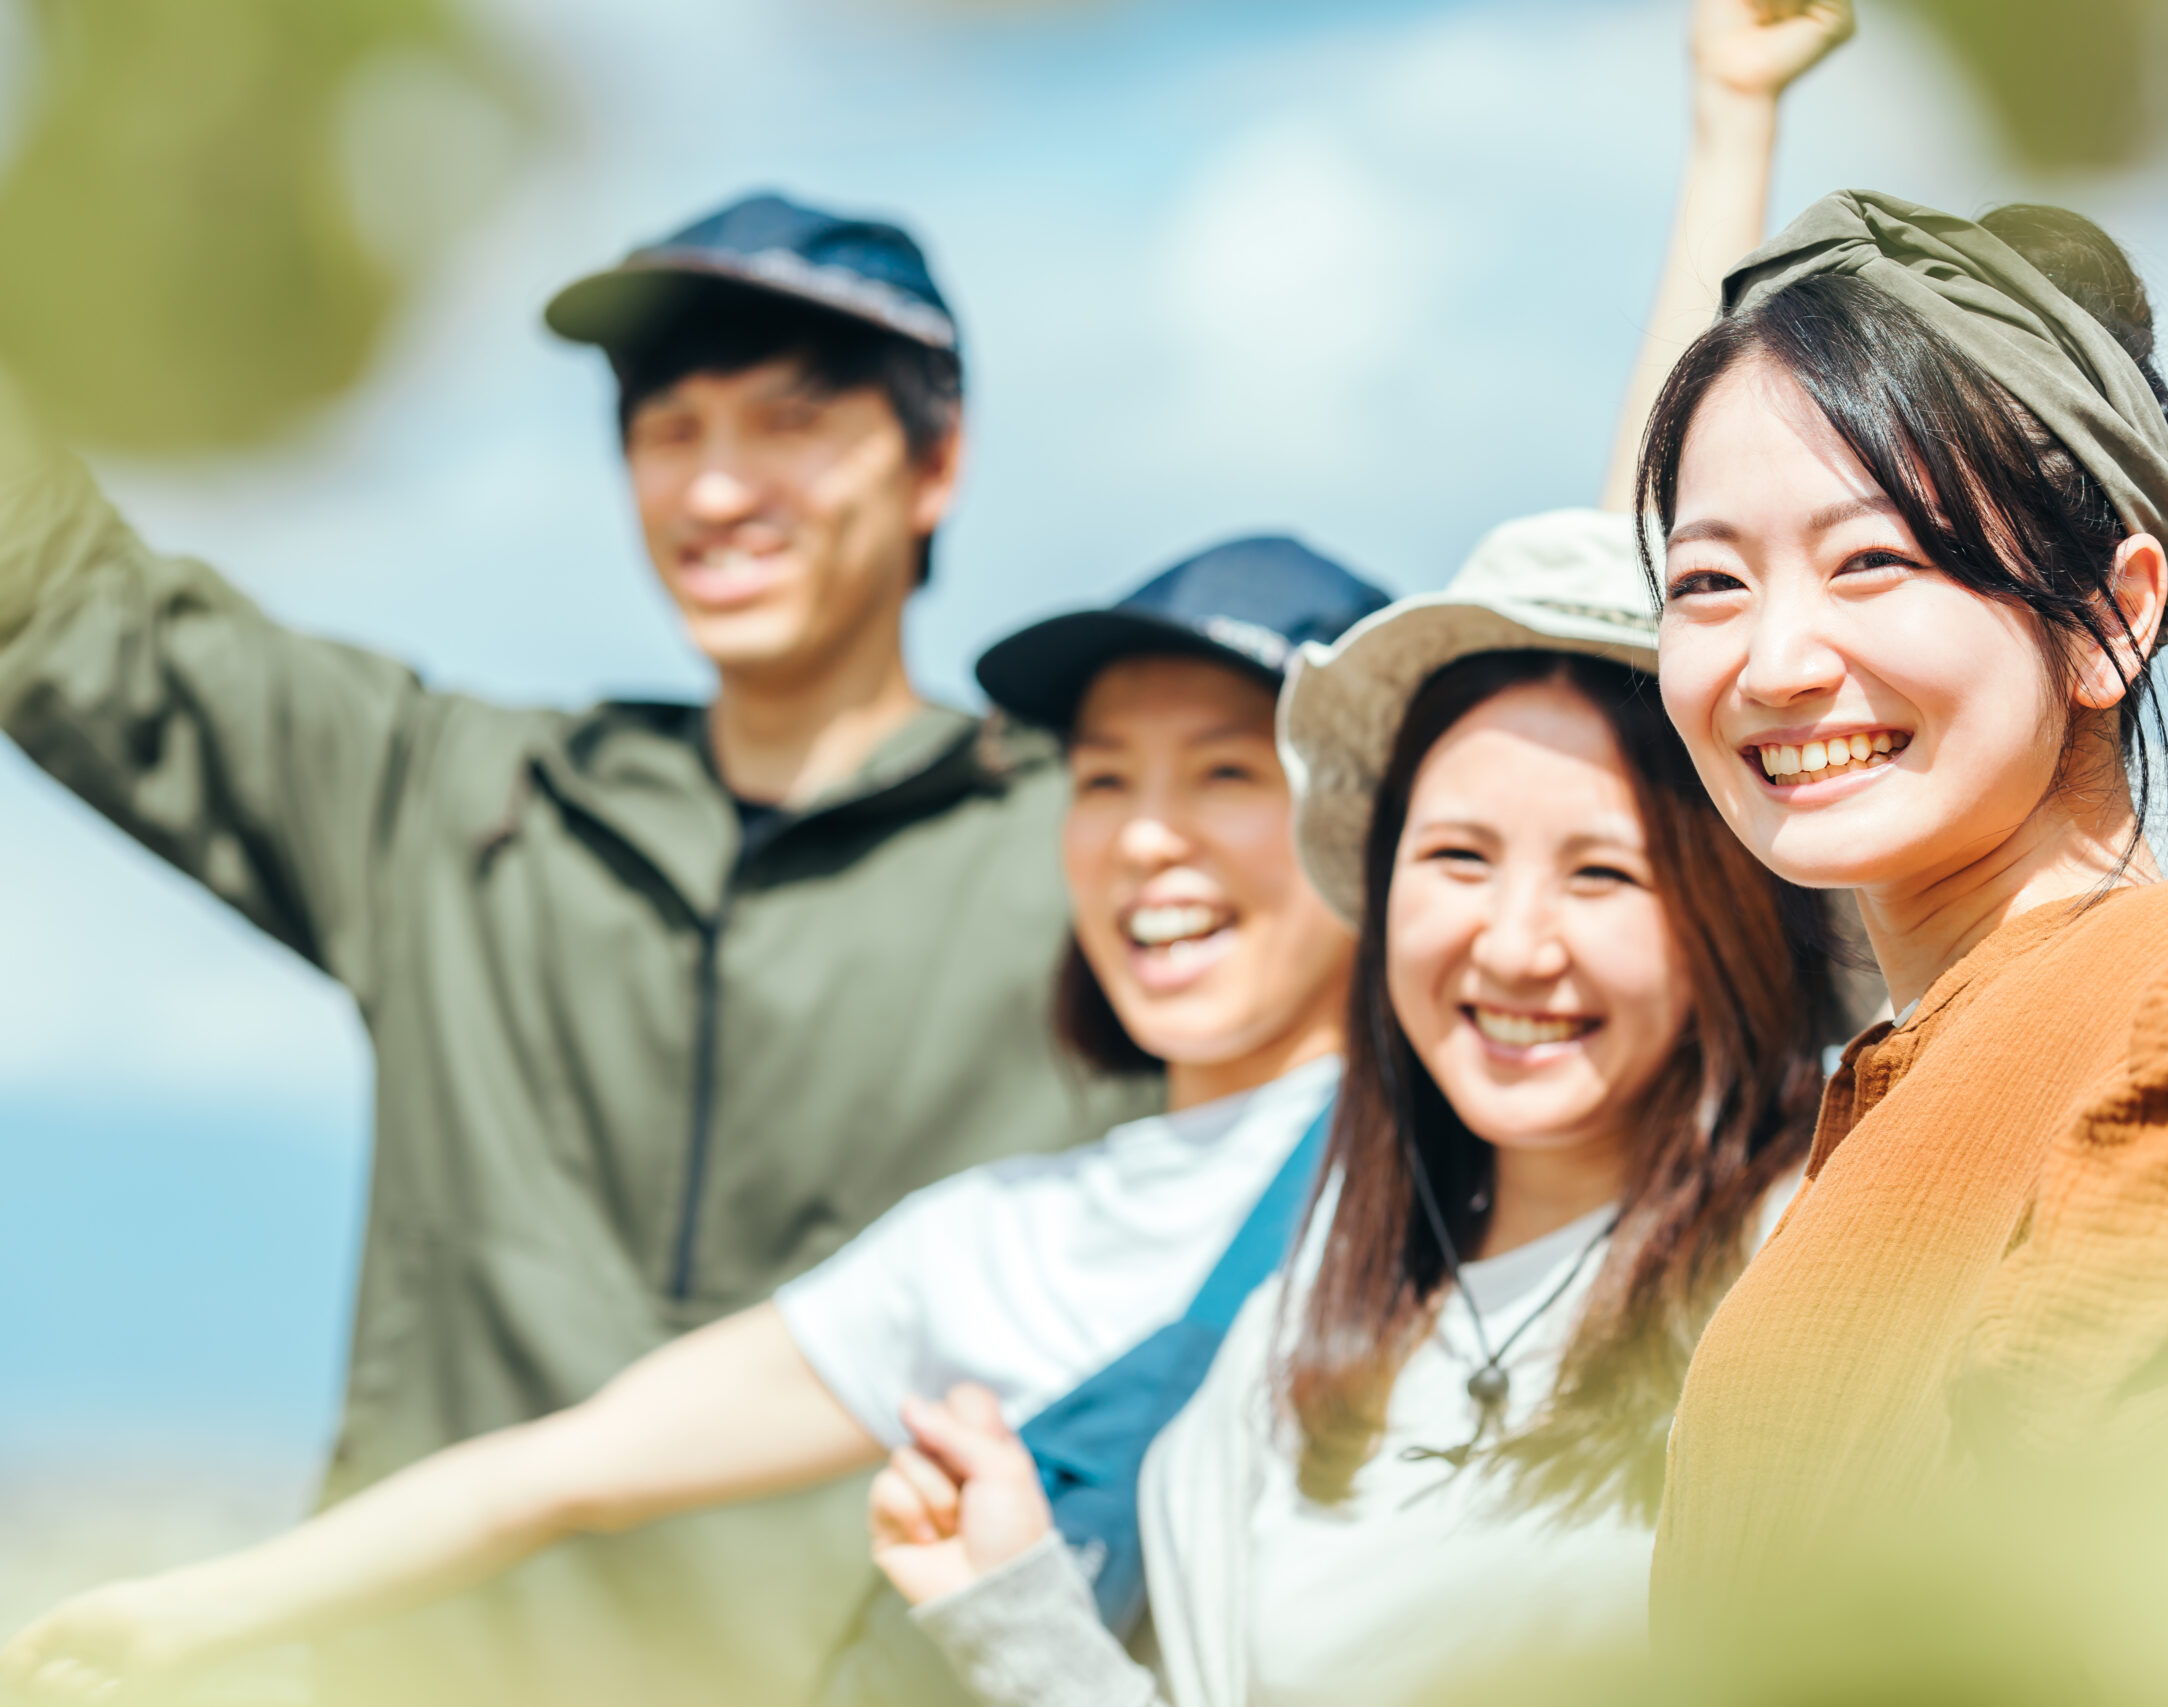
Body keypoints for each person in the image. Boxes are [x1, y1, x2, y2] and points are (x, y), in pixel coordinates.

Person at [0, 196, 1165, 1705]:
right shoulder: (445, 802)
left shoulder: (1109, 860)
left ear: (938, 459)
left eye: (792, 421)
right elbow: (69, 608)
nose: (721, 483)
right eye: (667, 430)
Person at [0, 539, 1390, 1706]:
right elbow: (562, 1471)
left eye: (1228, 774)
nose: (1147, 837)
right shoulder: (998, 1238)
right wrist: (177, 1614)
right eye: (1101, 779)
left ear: (1380, 829)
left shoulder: (1454, 1174)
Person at [1628, 192, 2168, 1612]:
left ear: (2112, 613)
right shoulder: (1906, 1067)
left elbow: (2157, 1509)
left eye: (1871, 560)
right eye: (1708, 580)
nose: (1775, 657)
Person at [862, 512, 1849, 1707]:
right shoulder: (1271, 1373)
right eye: (1457, 859)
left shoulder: (1819, 1275)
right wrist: (1022, 1621)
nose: (1515, 946)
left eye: (1603, 872)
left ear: (1732, 916)